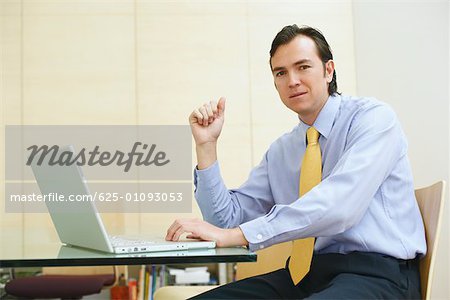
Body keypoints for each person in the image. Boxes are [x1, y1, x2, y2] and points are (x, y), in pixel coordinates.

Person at [165, 24, 425, 299]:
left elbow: (339, 208)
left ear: (328, 70)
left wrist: (239, 235)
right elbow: (225, 222)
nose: (292, 81)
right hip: (305, 275)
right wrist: (206, 147)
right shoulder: (282, 150)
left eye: (303, 67)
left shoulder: (373, 119)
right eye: (281, 73)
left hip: (376, 275)